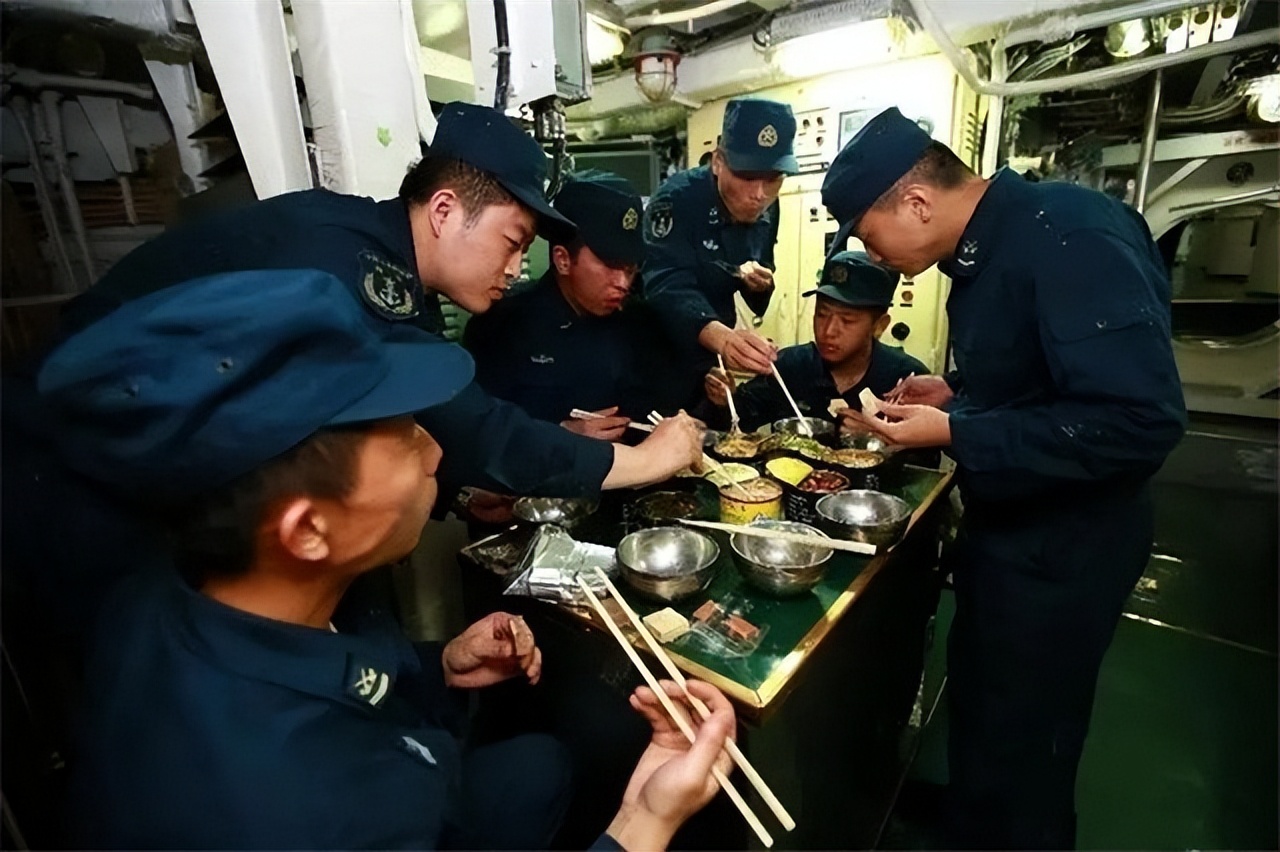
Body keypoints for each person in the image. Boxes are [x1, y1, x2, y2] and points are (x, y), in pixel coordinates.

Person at [43, 269, 736, 850]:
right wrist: (646, 817)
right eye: (404, 436)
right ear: (307, 528)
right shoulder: (321, 808)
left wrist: (436, 666)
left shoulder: (158, 598)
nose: (435, 451)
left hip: (418, 771)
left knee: (541, 763)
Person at [3, 101, 702, 641]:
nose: (518, 267)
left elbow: (423, 424)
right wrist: (643, 461)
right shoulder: (354, 267)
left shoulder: (391, 270)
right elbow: (480, 430)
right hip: (70, 469)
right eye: (513, 242)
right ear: (446, 210)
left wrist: (458, 496)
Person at [825, 108, 1187, 848]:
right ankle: (971, 819)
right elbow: (1045, 384)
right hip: (1009, 530)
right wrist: (958, 395)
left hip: (1067, 548)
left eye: (869, 236)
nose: (874, 253)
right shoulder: (989, 249)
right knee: (985, 696)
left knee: (1034, 731)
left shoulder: (1067, 238)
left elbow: (1136, 420)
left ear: (917, 203)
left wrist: (958, 430)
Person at [464, 169, 664, 438]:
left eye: (630, 268)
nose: (623, 282)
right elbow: (480, 435)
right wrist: (561, 436)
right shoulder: (502, 326)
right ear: (563, 260)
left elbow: (658, 411)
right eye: (610, 265)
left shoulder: (641, 324)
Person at [640, 97, 799, 408]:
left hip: (714, 358)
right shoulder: (676, 200)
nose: (759, 195)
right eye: (747, 176)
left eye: (773, 179)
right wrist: (723, 339)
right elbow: (666, 284)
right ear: (718, 162)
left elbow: (763, 263)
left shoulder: (769, 204)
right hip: (659, 355)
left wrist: (761, 286)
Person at [703, 250, 927, 432]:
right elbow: (740, 421)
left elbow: (928, 464)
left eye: (847, 321)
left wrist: (883, 439)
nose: (828, 331)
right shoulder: (789, 366)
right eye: (821, 314)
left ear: (879, 326)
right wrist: (724, 400)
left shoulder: (907, 379)